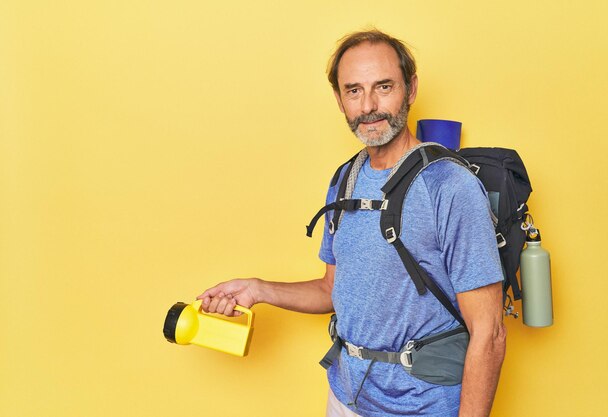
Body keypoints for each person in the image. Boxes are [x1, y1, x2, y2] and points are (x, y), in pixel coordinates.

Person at [197, 30, 506, 417]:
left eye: (384, 86)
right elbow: (332, 289)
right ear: (340, 100)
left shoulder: (449, 185)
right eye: (354, 90)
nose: (370, 106)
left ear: (411, 89)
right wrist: (257, 289)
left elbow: (490, 334)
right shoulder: (346, 178)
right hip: (347, 397)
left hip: (421, 406)